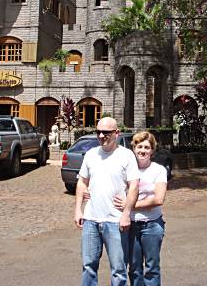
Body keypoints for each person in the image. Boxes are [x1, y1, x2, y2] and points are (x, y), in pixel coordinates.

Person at [74, 117, 140, 286]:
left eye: (106, 132)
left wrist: (126, 214)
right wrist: (78, 210)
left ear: (116, 133)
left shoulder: (126, 156)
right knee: (88, 266)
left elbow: (134, 186)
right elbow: (82, 182)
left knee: (118, 269)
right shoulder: (91, 155)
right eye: (98, 132)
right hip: (91, 220)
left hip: (115, 221)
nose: (102, 135)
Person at [113, 131, 167, 286]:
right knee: (134, 267)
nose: (143, 150)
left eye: (147, 147)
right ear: (134, 148)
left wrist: (130, 205)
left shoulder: (158, 170)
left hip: (152, 224)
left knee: (152, 267)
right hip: (130, 226)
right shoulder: (126, 170)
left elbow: (158, 199)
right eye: (139, 146)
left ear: (152, 150)